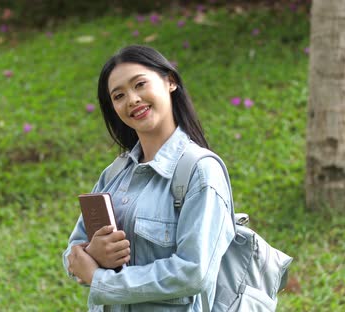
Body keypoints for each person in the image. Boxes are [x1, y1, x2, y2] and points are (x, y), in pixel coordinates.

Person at [62, 45, 235, 311]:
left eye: (140, 84)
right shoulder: (115, 173)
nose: (132, 100)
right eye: (118, 96)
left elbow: (193, 272)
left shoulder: (199, 171)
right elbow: (73, 251)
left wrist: (101, 279)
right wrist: (91, 254)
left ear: (170, 81)